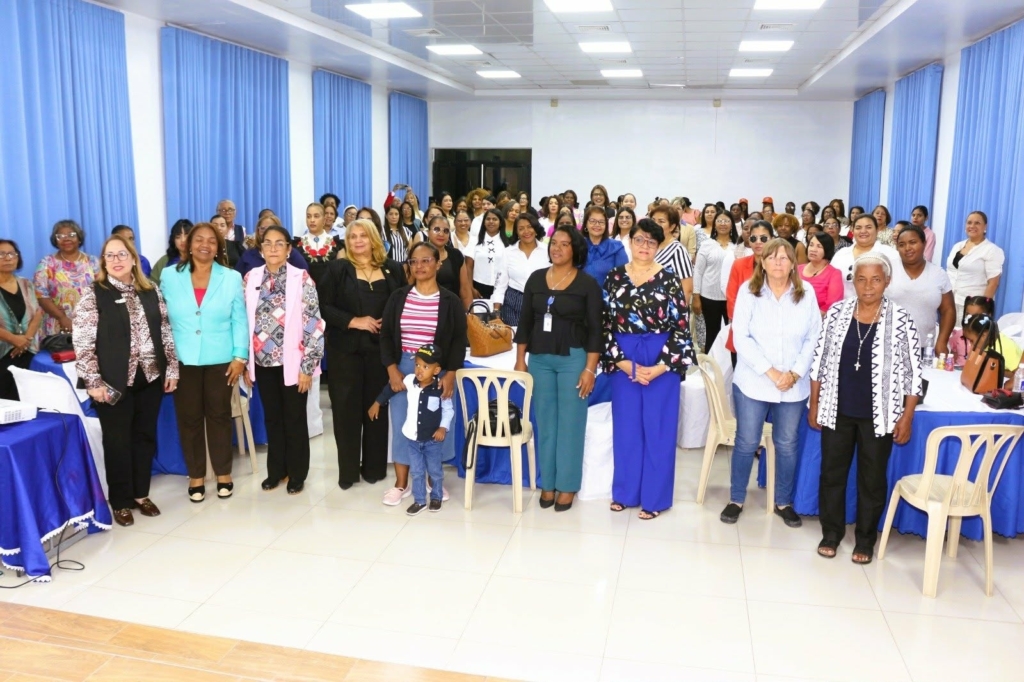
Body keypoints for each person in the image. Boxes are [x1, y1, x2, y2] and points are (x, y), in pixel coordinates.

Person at [809, 254, 922, 564]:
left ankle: (865, 540)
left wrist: (907, 416)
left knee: (871, 480)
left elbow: (913, 373)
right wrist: (814, 403)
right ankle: (831, 533)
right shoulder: (837, 313)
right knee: (832, 475)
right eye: (861, 279)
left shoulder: (901, 319)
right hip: (837, 408)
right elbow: (819, 361)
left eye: (875, 279)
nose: (868, 286)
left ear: (887, 282)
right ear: (853, 282)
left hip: (880, 415)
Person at [72, 235, 179, 527]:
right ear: (103, 262)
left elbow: (165, 332)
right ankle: (120, 501)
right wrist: (93, 382)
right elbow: (83, 343)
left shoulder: (151, 291)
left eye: (122, 254)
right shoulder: (94, 294)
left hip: (150, 378)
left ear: (133, 259)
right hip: (111, 383)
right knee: (117, 442)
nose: (116, 260)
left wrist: (172, 369)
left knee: (144, 438)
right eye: (110, 255)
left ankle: (141, 494)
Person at [721, 239, 821, 527]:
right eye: (772, 257)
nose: (778, 262)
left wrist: (795, 373)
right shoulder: (749, 292)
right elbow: (741, 337)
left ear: (793, 264)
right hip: (754, 382)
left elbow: (814, 337)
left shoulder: (807, 294)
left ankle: (783, 502)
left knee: (787, 444)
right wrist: (773, 373)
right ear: (762, 263)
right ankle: (736, 499)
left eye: (784, 257)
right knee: (746, 441)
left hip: (793, 384)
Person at [604, 218, 696, 520]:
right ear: (630, 241)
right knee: (627, 429)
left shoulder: (669, 279)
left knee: (659, 430)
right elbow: (603, 324)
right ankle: (625, 493)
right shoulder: (614, 277)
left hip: (661, 360)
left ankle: (655, 499)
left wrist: (660, 367)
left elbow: (681, 327)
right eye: (639, 240)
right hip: (624, 359)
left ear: (658, 246)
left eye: (651, 242)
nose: (645, 246)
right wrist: (622, 361)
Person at [514, 225, 602, 512]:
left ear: (575, 250)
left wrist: (590, 369)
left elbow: (596, 330)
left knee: (570, 424)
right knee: (546, 422)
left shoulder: (587, 284)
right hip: (539, 360)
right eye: (554, 243)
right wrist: (520, 359)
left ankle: (567, 485)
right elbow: (525, 321)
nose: (557, 248)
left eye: (565, 244)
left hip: (573, 360)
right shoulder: (536, 278)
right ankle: (548, 483)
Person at [161, 223, 248, 502]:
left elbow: (239, 319)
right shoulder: (169, 276)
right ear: (188, 244)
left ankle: (223, 474)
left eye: (212, 241)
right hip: (183, 359)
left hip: (221, 359)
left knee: (219, 416)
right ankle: (196, 476)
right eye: (199, 239)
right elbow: (162, 320)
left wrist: (240, 356)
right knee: (189, 419)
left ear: (219, 246)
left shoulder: (231, 277)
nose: (205, 245)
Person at [318, 219, 406, 489]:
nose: (357, 241)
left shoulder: (392, 269)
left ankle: (374, 468)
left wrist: (389, 324)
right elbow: (323, 306)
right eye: (352, 236)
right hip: (345, 352)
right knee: (346, 412)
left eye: (363, 236)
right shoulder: (337, 269)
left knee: (376, 409)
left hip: (381, 354)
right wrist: (353, 321)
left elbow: (402, 305)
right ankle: (348, 472)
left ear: (373, 239)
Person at [379, 241, 467, 505]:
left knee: (434, 424)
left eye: (426, 260)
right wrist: (392, 369)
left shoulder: (450, 300)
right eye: (414, 261)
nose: (419, 266)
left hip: (437, 371)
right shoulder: (398, 297)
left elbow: (458, 340)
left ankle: (432, 480)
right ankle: (401, 483)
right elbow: (386, 336)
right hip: (404, 367)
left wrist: (450, 374)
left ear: (438, 263)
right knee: (403, 423)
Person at [243, 225, 325, 495]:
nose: (273, 248)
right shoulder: (251, 278)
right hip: (262, 363)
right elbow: (243, 322)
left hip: (293, 363)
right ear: (260, 249)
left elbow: (314, 324)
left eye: (280, 243)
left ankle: (297, 473)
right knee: (273, 419)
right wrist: (245, 363)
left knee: (294, 419)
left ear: (289, 249)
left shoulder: (301, 278)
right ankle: (276, 470)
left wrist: (308, 367)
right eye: (268, 243)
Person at [370, 344, 454, 515]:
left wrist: (442, 427)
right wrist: (377, 403)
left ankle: (436, 497)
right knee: (416, 472)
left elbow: (448, 410)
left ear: (437, 370)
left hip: (432, 441)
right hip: (413, 440)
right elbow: (390, 388)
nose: (419, 370)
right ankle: (420, 500)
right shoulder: (409, 380)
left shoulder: (440, 388)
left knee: (435, 472)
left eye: (425, 366)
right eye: (417, 365)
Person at [886, 225, 955, 356]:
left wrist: (942, 341)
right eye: (901, 244)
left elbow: (948, 310)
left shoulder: (938, 274)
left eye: (913, 242)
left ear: (924, 243)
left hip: (924, 348)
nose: (907, 248)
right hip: (888, 345)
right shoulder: (887, 269)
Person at [34, 220, 100, 335]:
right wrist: (62, 318)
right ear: (55, 241)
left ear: (79, 238)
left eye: (71, 235)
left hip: (90, 322)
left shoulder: (93, 261)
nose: (66, 239)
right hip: (58, 323)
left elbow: (103, 290)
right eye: (60, 236)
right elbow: (40, 295)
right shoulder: (46, 263)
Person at [0, 240, 44, 400]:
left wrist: (26, 340)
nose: (8, 258)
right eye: (1, 254)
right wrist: (14, 340)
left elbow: (38, 313)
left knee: (30, 400)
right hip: (3, 353)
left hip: (28, 351)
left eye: (12, 254)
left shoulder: (26, 283)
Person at [726, 221, 775, 361]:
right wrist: (744, 326)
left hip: (771, 334)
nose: (758, 242)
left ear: (772, 239)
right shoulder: (739, 264)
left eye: (763, 238)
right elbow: (731, 299)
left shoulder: (781, 265)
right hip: (742, 331)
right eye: (753, 238)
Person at [946, 211, 1004, 328]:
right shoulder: (957, 246)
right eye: (969, 223)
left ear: (985, 226)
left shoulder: (992, 250)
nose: (972, 226)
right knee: (950, 336)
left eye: (977, 223)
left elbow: (993, 283)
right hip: (950, 302)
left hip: (972, 306)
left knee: (968, 337)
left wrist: (982, 309)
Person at [692, 211, 737, 352]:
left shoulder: (737, 246)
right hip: (709, 296)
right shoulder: (707, 245)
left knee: (733, 333)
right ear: (714, 224)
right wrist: (696, 296)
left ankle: (731, 363)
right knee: (712, 332)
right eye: (720, 221)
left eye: (726, 221)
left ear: (732, 224)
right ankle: (710, 363)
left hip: (732, 297)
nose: (723, 224)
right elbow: (698, 271)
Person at [494, 214, 550, 325]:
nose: (526, 231)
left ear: (536, 229)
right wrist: (496, 310)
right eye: (521, 228)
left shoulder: (547, 251)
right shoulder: (508, 252)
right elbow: (500, 284)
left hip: (540, 301)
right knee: (515, 335)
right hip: (513, 302)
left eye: (529, 227)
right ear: (516, 232)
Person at [830, 214, 901, 299]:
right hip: (844, 305)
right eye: (858, 228)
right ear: (852, 230)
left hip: (880, 304)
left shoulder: (891, 254)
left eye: (868, 227)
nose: (863, 231)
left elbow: (897, 286)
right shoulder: (841, 254)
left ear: (877, 230)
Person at [424, 214, 473, 310]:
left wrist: (470, 314)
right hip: (425, 308)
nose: (441, 234)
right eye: (436, 229)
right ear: (428, 232)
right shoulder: (419, 254)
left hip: (452, 308)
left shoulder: (456, 255)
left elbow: (465, 290)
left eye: (446, 231)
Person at [235, 217, 308, 278]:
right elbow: (237, 278)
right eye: (262, 228)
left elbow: (303, 272)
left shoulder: (291, 252)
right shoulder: (248, 255)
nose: (266, 231)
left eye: (271, 228)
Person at [649, 205, 694, 303]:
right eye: (653, 220)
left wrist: (678, 311)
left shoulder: (678, 250)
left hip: (668, 307)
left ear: (672, 226)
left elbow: (687, 289)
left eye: (661, 221)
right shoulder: (649, 245)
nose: (655, 224)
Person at [961, 314, 1023, 383]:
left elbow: (1018, 374)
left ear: (984, 334)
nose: (970, 344)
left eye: (971, 341)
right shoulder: (987, 342)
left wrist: (995, 371)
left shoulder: (1006, 349)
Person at [293, 202, 344, 284]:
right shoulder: (296, 245)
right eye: (308, 216)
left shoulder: (337, 244)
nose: (312, 220)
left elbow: (342, 274)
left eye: (316, 216)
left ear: (324, 220)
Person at [581, 205, 628, 286]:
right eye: (592, 221)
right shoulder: (577, 246)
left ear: (606, 225)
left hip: (607, 293)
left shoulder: (616, 247)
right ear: (585, 224)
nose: (597, 224)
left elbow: (623, 279)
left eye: (601, 222)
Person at [798, 233, 843, 314]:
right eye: (811, 245)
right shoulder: (797, 269)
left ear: (827, 249)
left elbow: (832, 306)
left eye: (819, 246)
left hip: (818, 319)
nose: (813, 249)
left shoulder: (834, 274)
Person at [467, 208, 507, 301]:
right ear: (484, 222)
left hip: (501, 288)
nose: (491, 222)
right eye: (488, 219)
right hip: (478, 287)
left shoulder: (506, 243)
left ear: (500, 222)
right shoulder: (474, 241)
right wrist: (471, 288)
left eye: (495, 219)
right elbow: (468, 266)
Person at [151, 219, 193, 284]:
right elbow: (152, 284)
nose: (183, 240)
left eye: (186, 235)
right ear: (173, 241)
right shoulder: (164, 261)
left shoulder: (200, 259)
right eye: (178, 237)